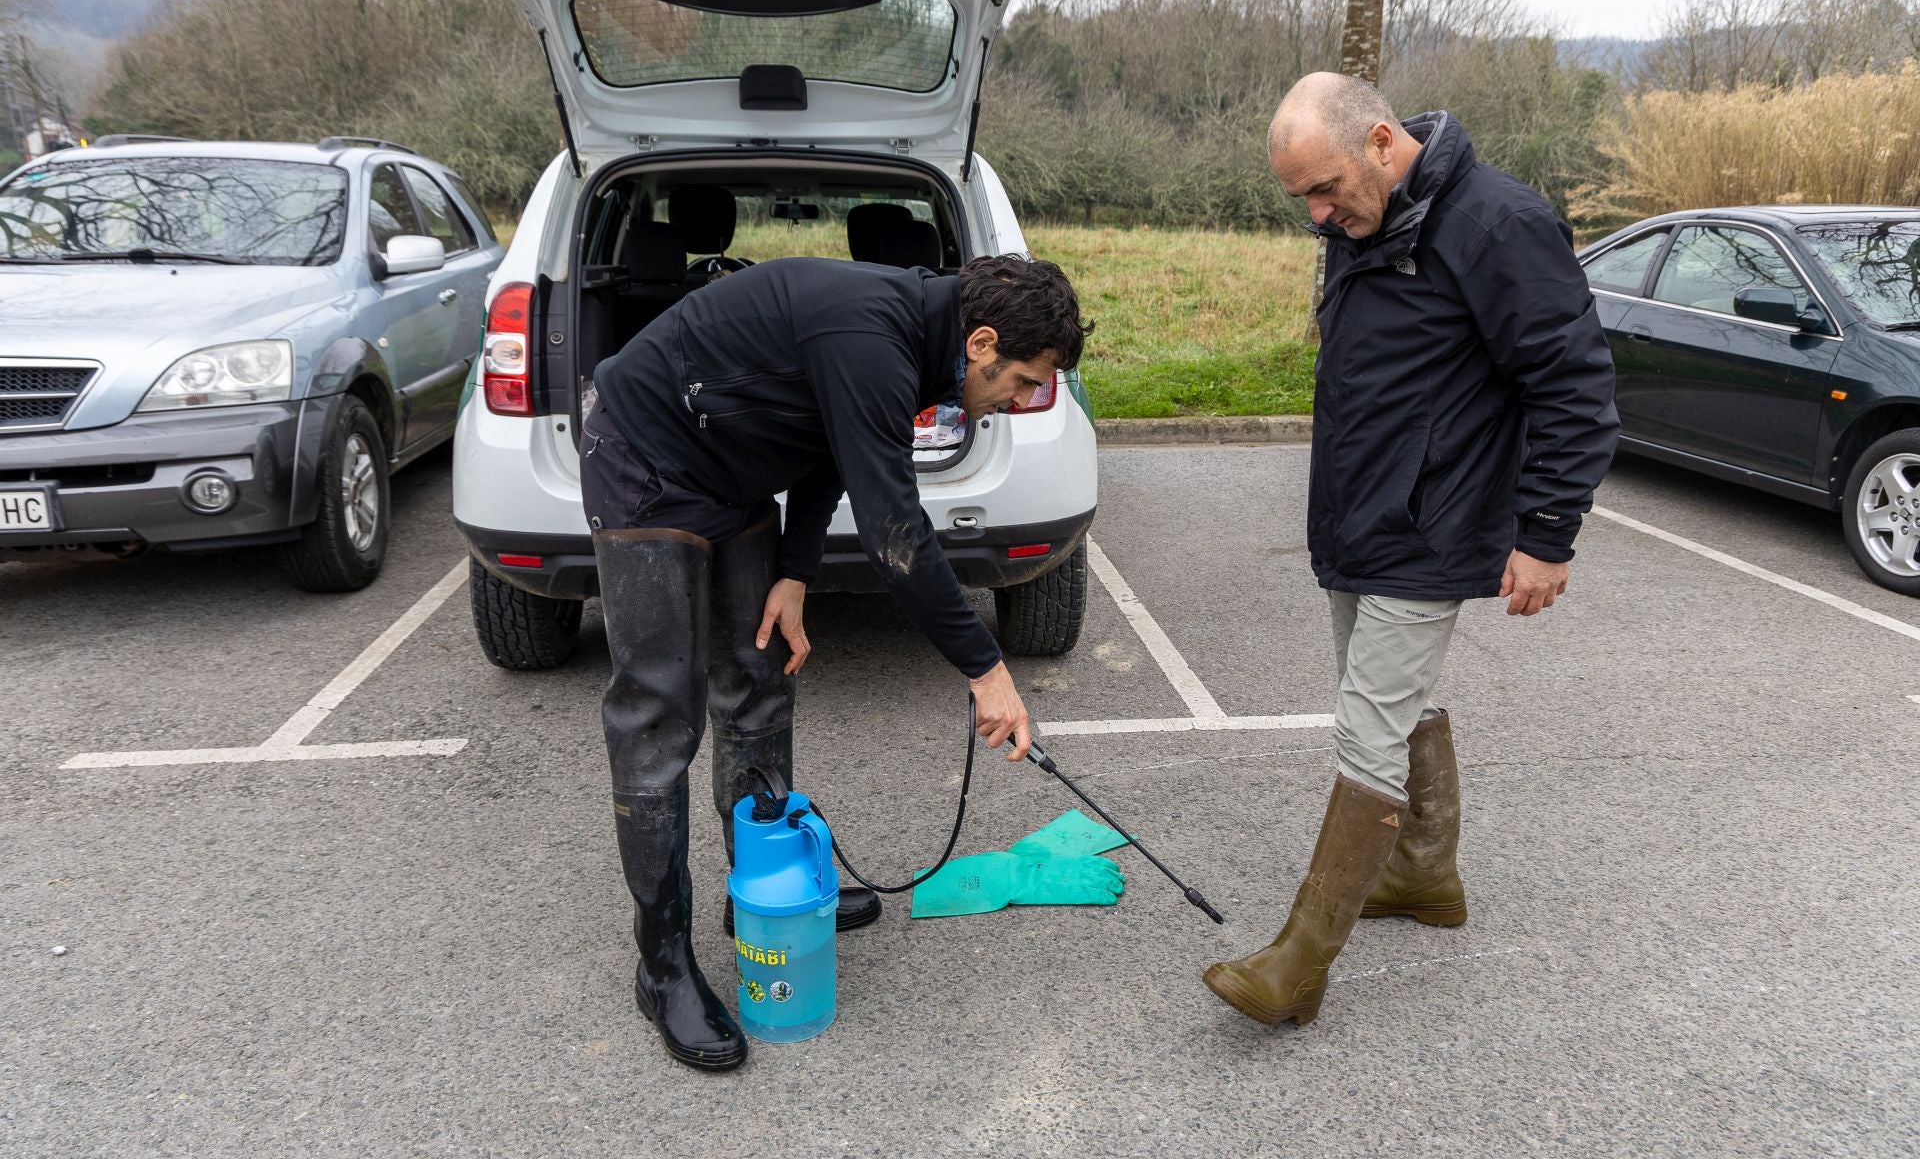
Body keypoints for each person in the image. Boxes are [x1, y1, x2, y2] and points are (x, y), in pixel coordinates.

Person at [581, 252, 1090, 1070]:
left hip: (732, 476)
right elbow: (898, 540)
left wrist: (794, 571)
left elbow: (829, 442)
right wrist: (985, 667)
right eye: (1024, 380)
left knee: (757, 686)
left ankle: (760, 898)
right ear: (983, 341)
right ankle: (662, 964)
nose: (1022, 401)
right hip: (646, 455)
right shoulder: (874, 337)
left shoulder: (919, 346)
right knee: (657, 712)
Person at [1202, 73, 1620, 1027]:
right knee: (1393, 697)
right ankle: (1424, 875)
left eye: (1324, 187)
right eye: (1299, 195)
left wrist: (1547, 534)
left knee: (1367, 729)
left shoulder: (1496, 222)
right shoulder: (1364, 219)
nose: (1314, 213)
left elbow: (1574, 381)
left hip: (1432, 522)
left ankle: (1298, 969)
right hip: (1364, 512)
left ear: (1384, 144)